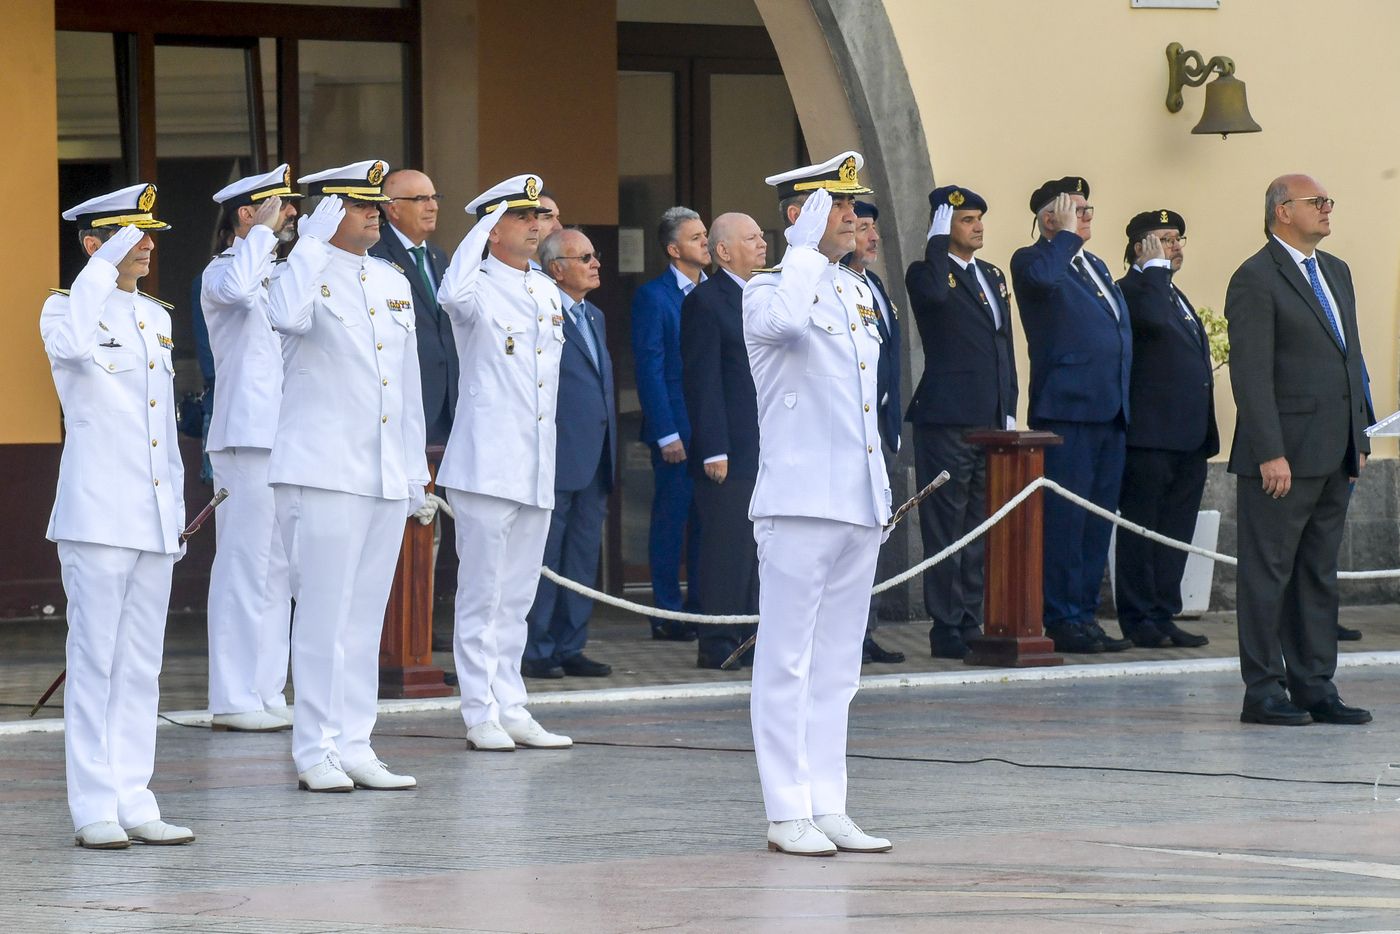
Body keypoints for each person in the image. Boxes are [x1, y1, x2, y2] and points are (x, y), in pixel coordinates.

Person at [744, 151, 893, 857]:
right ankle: (785, 810)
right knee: (787, 662)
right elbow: (786, 330)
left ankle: (828, 802)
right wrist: (803, 254)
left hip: (857, 501)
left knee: (839, 665)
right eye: (837, 207)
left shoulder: (857, 293)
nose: (852, 218)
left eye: (852, 208)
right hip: (800, 501)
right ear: (800, 216)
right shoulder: (769, 288)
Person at [268, 159, 428, 792]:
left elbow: (408, 385)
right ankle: (313, 749)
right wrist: (307, 242)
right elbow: (284, 315)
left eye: (375, 204)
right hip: (324, 469)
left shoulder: (390, 278)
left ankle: (356, 742)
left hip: (384, 471)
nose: (374, 212)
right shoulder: (298, 273)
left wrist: (416, 472)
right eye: (359, 204)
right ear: (330, 211)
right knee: (323, 617)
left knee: (366, 619)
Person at [43, 183, 194, 847]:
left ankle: (135, 795)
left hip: (153, 516)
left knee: (141, 664)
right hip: (97, 516)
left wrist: (178, 513)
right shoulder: (64, 310)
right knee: (96, 661)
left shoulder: (155, 319)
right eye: (134, 234)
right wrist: (100, 269)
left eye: (151, 234)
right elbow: (75, 348)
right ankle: (93, 806)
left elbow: (164, 426)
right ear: (94, 243)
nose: (149, 245)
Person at [1226, 174, 1373, 726]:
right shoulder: (1255, 277)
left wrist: (1358, 437)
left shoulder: (1336, 272)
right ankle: (1263, 689)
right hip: (1283, 456)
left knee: (1317, 572)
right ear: (1283, 211)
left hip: (1334, 451)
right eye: (1318, 202)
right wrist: (1270, 450)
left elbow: (1349, 360)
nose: (1328, 209)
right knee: (1268, 573)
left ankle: (1316, 684)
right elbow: (1251, 373)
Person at [436, 173, 573, 750]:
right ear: (493, 229)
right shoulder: (474, 288)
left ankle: (512, 704)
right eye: (521, 217)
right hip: (487, 463)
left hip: (535, 463)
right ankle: (479, 711)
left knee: (516, 598)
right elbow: (449, 296)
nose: (536, 225)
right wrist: (481, 227)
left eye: (538, 216)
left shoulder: (543, 289)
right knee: (482, 595)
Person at [1010, 176, 1133, 655]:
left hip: (1109, 409)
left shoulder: (1094, 265)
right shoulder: (1035, 258)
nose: (1085, 217)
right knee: (1065, 522)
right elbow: (1043, 281)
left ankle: (1085, 615)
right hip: (1068, 409)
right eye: (1074, 210)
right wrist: (1061, 238)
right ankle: (1062, 616)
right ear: (1049, 219)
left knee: (1096, 520)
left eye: (1087, 209)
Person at [202, 164, 301, 733]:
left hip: (285, 435)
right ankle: (233, 695)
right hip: (245, 437)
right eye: (278, 206)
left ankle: (266, 689)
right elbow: (239, 288)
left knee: (278, 570)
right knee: (243, 565)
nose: (289, 213)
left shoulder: (277, 273)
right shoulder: (222, 273)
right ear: (247, 213)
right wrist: (261, 234)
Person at [904, 185, 1017, 659]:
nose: (978, 227)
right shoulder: (928, 272)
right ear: (944, 226)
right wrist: (933, 244)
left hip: (988, 418)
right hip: (947, 417)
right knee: (946, 525)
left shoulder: (991, 274)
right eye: (967, 219)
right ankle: (946, 626)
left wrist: (1009, 407)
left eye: (979, 219)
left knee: (978, 523)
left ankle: (971, 616)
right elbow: (931, 300)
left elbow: (1003, 346)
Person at [1113, 210, 1216, 649]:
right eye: (1164, 239)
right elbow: (1150, 324)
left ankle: (1163, 611)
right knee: (1143, 528)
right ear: (1141, 247)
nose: (1174, 246)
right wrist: (1154, 272)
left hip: (1188, 437)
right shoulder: (1132, 291)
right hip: (1150, 437)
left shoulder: (1174, 294)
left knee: (1175, 530)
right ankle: (1138, 617)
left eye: (1178, 238)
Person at [522, 228, 616, 679]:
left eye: (594, 256)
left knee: (581, 557)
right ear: (556, 268)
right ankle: (537, 648)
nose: (595, 263)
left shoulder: (593, 314)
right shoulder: (540, 312)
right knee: (547, 558)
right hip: (557, 456)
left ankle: (570, 644)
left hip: (595, 456)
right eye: (585, 257)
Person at [679, 212, 765, 669]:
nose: (762, 245)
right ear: (724, 250)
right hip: (730, 447)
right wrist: (714, 447)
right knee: (726, 544)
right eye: (751, 239)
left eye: (762, 237)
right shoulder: (707, 301)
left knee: (758, 547)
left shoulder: (764, 295)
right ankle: (718, 639)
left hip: (766, 444)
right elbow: (703, 379)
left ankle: (752, 633)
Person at [631, 207, 710, 640]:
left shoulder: (718, 290)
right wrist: (667, 432)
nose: (706, 242)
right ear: (673, 249)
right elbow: (650, 368)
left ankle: (702, 607)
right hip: (676, 431)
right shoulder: (654, 297)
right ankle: (666, 611)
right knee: (670, 522)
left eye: (706, 235)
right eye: (696, 237)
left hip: (713, 431)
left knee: (707, 523)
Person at [841, 200, 905, 665]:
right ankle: (846, 630)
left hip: (876, 429)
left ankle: (865, 628)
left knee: (874, 532)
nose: (872, 237)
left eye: (873, 229)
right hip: (847, 429)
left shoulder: (875, 285)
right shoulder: (837, 285)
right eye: (862, 228)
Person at [369, 169, 455, 445]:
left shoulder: (438, 256)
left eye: (434, 197)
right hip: (405, 400)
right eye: (421, 199)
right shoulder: (375, 253)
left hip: (447, 402)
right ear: (392, 209)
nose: (433, 206)